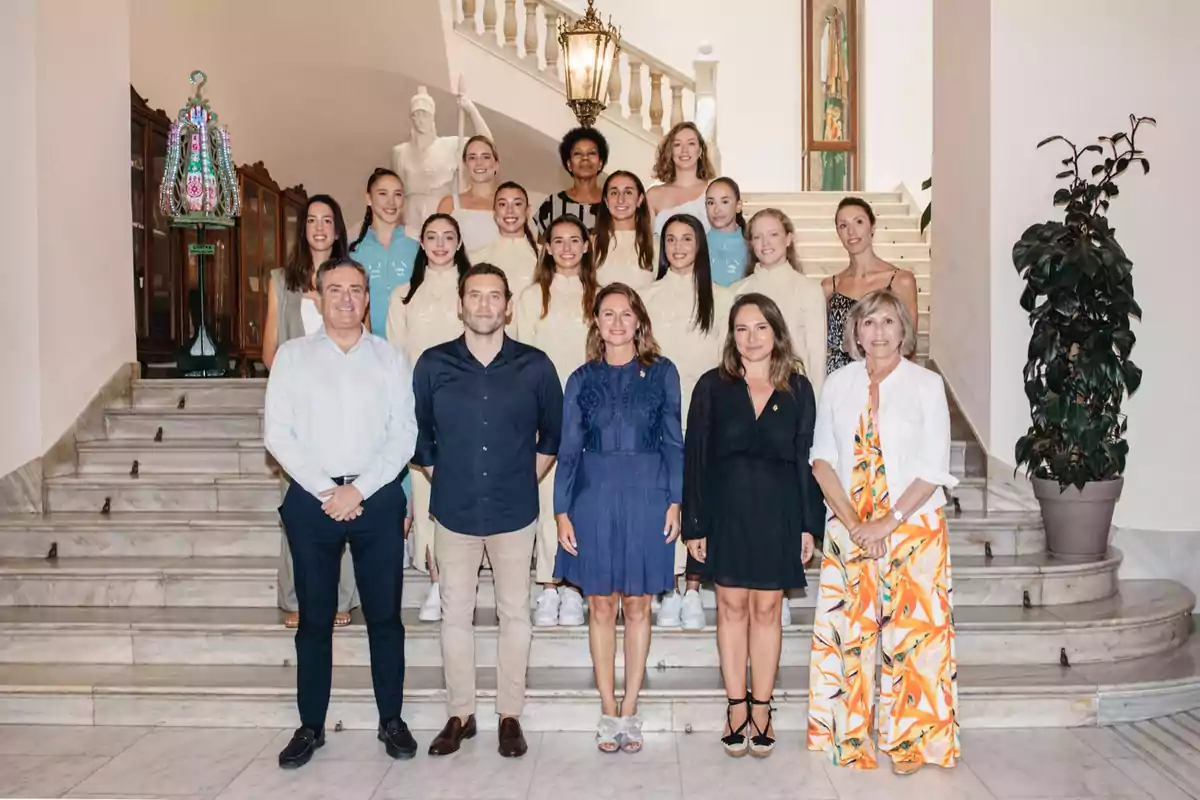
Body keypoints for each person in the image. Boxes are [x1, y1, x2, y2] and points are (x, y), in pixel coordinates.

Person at [265, 257, 419, 769]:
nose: (347, 299)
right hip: (312, 500)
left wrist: (361, 489)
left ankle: (391, 720)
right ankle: (310, 726)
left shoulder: (388, 358)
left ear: (367, 298)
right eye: (336, 290)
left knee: (384, 618)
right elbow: (277, 434)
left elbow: (404, 434)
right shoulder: (293, 356)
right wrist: (326, 489)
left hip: (376, 498)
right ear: (318, 294)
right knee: (313, 620)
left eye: (356, 290)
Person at [413, 264, 564, 759]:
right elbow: (421, 438)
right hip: (453, 511)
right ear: (460, 303)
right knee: (455, 615)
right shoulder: (433, 365)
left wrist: (519, 477)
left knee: (514, 613)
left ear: (508, 306)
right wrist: (453, 478)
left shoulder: (536, 366)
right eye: (474, 296)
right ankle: (460, 713)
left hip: (514, 510)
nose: (483, 305)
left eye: (493, 296)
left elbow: (552, 436)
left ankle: (509, 715)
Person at [806, 288, 959, 774]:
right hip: (849, 523)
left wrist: (887, 523)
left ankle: (912, 743)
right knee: (849, 633)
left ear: (904, 330)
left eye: (888, 322)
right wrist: (855, 524)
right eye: (868, 322)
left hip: (912, 524)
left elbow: (934, 466)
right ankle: (847, 734)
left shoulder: (926, 384)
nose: (878, 332)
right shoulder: (837, 383)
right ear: (855, 331)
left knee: (912, 636)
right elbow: (822, 459)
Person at [684, 293, 820, 759]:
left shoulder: (798, 389)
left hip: (778, 513)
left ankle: (762, 710)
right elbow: (696, 459)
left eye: (760, 327)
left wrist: (808, 526)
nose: (751, 337)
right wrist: (694, 525)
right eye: (742, 329)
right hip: (726, 512)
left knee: (767, 612)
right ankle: (734, 708)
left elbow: (806, 462)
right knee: (730, 609)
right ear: (731, 335)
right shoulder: (711, 386)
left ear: (776, 332)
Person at [554, 282, 683, 754]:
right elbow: (568, 447)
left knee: (638, 604)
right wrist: (561, 509)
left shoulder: (663, 372)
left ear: (639, 321)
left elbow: (674, 439)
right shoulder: (580, 378)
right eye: (607, 314)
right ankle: (607, 710)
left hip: (649, 492)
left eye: (625, 314)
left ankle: (631, 708)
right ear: (597, 323)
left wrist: (676, 499)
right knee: (602, 604)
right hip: (593, 494)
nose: (617, 322)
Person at [263, 194, 359, 630]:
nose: (319, 227)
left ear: (338, 229)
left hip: (345, 411)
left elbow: (366, 347)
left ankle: (341, 598)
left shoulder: (351, 278)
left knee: (344, 503)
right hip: (299, 413)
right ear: (303, 228)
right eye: (312, 220)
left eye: (327, 220)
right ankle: (295, 598)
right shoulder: (280, 280)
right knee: (299, 505)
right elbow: (270, 352)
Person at [641, 213, 730, 630]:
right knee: (662, 499)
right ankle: (668, 583)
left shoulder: (722, 297)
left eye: (687, 239)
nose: (678, 247)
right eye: (671, 239)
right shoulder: (648, 297)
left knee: (697, 497)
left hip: (705, 410)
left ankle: (693, 588)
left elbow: (726, 363)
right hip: (657, 413)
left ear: (700, 246)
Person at [513, 215, 598, 627]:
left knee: (582, 500)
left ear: (586, 246)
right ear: (546, 247)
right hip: (544, 409)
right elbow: (520, 357)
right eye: (557, 241)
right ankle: (549, 585)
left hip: (592, 409)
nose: (566, 248)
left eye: (574, 240)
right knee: (549, 501)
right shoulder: (531, 297)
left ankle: (576, 586)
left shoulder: (598, 295)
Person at [386, 214, 472, 622]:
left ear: (459, 243)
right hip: (423, 408)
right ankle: (438, 581)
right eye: (432, 237)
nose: (440, 244)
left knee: (469, 494)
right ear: (421, 242)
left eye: (448, 237)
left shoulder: (472, 290)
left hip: (473, 406)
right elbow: (396, 357)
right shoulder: (404, 295)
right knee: (426, 496)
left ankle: (465, 579)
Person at [733, 208, 828, 397]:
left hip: (793, 393)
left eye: (773, 234)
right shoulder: (736, 292)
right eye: (758, 237)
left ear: (788, 239)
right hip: (747, 396)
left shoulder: (809, 289)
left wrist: (814, 408)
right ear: (751, 243)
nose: (765, 243)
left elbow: (816, 358)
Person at [822, 197, 919, 374]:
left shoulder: (900, 281)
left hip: (886, 380)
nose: (851, 231)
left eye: (858, 222)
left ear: (872, 227)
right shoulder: (830, 287)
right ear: (838, 232)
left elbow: (909, 346)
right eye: (843, 225)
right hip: (839, 382)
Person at [348, 168, 420, 338]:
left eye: (397, 194)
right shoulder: (353, 251)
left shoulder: (417, 247)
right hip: (366, 347)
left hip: (410, 346)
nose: (391, 202)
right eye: (382, 194)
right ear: (368, 198)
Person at [467, 181, 539, 302]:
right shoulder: (475, 258)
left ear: (527, 211)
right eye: (502, 204)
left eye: (517, 204)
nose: (510, 211)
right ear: (494, 213)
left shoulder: (545, 256)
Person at [534, 127, 608, 239]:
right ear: (568, 164)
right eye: (578, 154)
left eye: (591, 153)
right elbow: (543, 251)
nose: (585, 158)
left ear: (600, 164)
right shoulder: (552, 204)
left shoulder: (612, 204)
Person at [646, 121, 716, 238]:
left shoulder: (714, 191)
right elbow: (646, 244)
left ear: (699, 151)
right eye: (677, 144)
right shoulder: (653, 195)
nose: (684, 150)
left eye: (691, 144)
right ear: (670, 151)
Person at [592, 171, 657, 291]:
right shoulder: (591, 244)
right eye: (614, 192)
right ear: (606, 201)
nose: (620, 200)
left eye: (628, 192)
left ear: (640, 199)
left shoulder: (656, 244)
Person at [436, 135, 502, 251]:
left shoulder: (509, 205)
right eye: (472, 158)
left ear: (496, 164)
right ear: (465, 165)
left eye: (485, 157)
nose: (479, 163)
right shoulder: (449, 204)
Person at [705, 177, 750, 287]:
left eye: (724, 202)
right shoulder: (697, 244)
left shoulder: (751, 243)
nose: (717, 210)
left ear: (738, 206)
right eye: (711, 203)